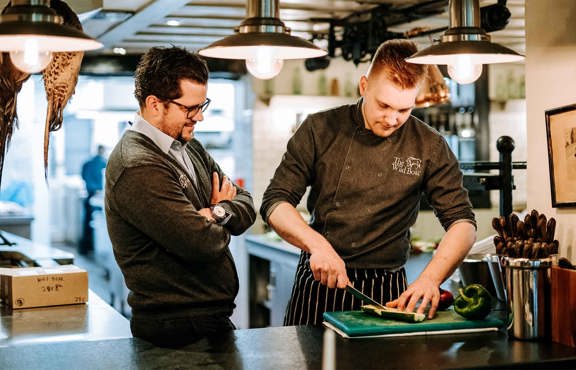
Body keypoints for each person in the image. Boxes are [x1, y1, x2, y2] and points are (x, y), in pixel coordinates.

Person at [260, 39, 477, 326]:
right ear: (364, 86)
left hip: (386, 288)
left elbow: (463, 222)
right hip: (319, 281)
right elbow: (275, 201)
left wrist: (430, 279)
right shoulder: (319, 129)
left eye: (404, 110)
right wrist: (317, 246)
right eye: (384, 105)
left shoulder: (430, 146)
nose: (392, 119)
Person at [105, 46, 256, 347]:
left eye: (203, 105)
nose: (199, 117)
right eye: (189, 108)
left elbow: (247, 205)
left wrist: (216, 212)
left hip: (207, 321)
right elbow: (199, 242)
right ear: (154, 104)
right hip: (173, 330)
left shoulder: (190, 147)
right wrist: (215, 215)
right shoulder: (138, 165)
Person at [79, 144, 107, 255]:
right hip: (96, 196)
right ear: (102, 151)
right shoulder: (103, 163)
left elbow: (84, 177)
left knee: (87, 223)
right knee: (96, 224)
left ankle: (87, 247)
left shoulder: (88, 163)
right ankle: (91, 247)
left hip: (89, 195)